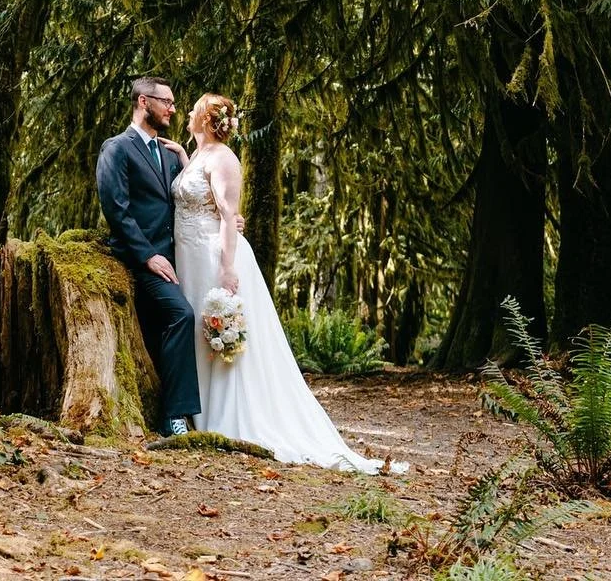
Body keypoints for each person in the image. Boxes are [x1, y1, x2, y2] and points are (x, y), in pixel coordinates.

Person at [171, 92, 393, 471]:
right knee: (195, 331)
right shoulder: (200, 156)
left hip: (212, 255)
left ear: (208, 121)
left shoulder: (225, 159)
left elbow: (227, 216)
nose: (188, 114)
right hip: (189, 254)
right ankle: (198, 406)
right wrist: (181, 157)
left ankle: (227, 414)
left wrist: (227, 268)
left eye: (194, 111)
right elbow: (196, 192)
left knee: (215, 330)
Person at [95, 76, 200, 437]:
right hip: (137, 260)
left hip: (176, 257)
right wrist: (147, 257)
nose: (173, 108)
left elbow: (187, 201)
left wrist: (225, 217)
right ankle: (175, 418)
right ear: (143, 102)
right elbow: (116, 209)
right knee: (181, 314)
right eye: (166, 102)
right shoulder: (117, 148)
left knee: (171, 326)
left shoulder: (169, 154)